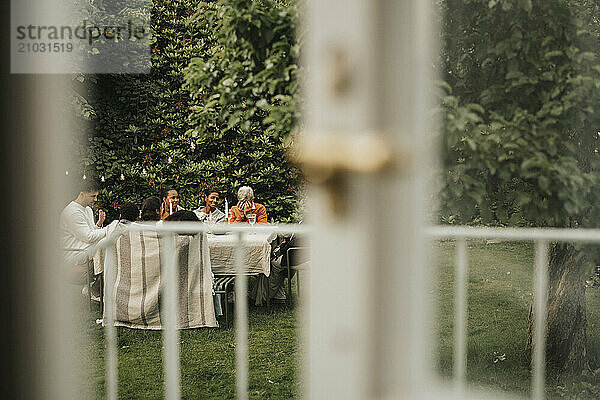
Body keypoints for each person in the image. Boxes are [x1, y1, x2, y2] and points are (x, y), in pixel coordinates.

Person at [60, 179, 107, 299]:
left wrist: (99, 224)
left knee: (112, 249)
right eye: (93, 196)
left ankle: (95, 289)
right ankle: (95, 291)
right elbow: (88, 237)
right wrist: (109, 230)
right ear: (82, 194)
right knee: (111, 253)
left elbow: (91, 232)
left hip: (85, 250)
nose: (95, 199)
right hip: (75, 255)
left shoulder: (87, 209)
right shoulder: (72, 212)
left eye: (96, 196)